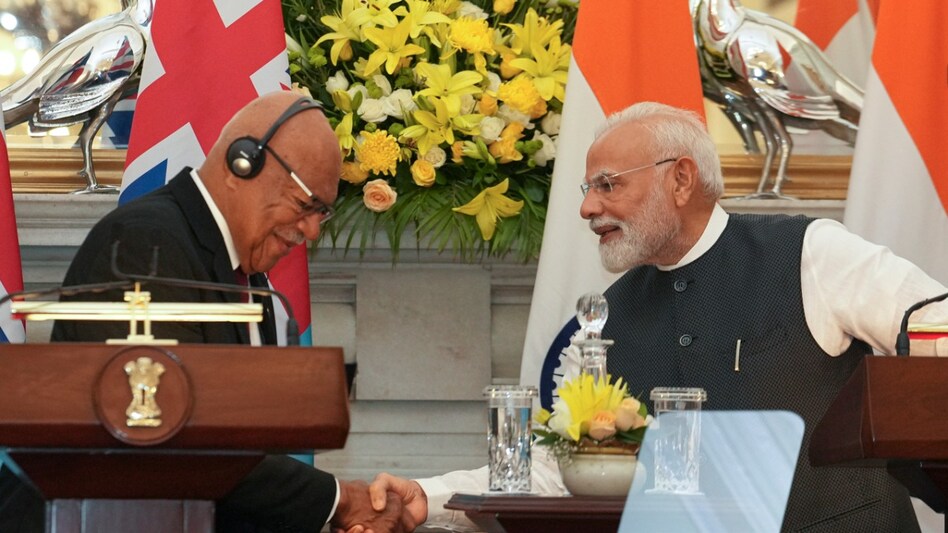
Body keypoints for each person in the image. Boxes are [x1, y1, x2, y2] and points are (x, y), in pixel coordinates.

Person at [365, 101, 948, 532]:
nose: (587, 207)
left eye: (608, 185)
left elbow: (934, 326)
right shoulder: (604, 320)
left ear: (681, 178)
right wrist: (427, 496)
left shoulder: (809, 251)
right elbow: (556, 470)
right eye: (588, 187)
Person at [0, 91, 412, 533]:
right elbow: (168, 435)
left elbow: (230, 446)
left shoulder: (242, 270)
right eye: (305, 205)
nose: (311, 230)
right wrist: (337, 501)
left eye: (322, 214)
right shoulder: (147, 245)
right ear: (243, 163)